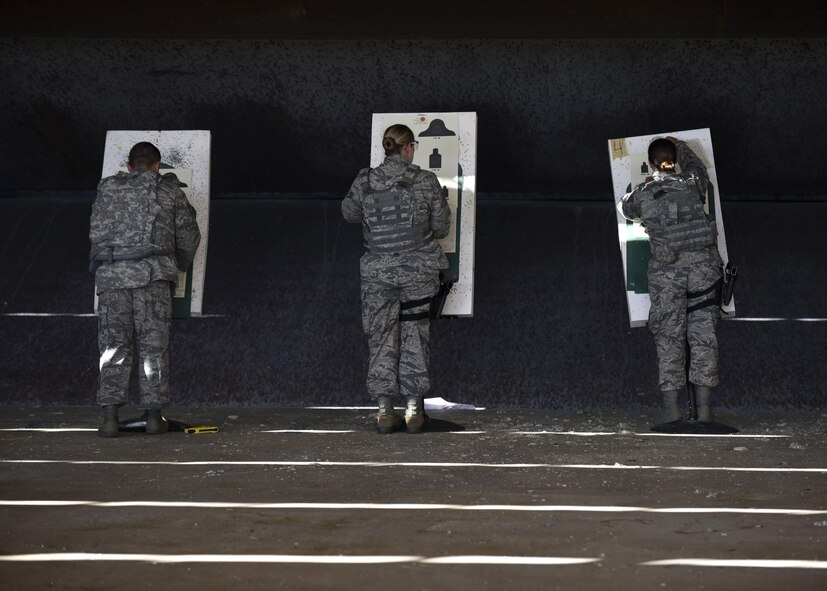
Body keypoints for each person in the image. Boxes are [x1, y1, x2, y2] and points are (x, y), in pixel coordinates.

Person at [342, 124, 451, 434]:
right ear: (407, 149)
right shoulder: (426, 181)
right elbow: (442, 227)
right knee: (415, 336)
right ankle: (414, 409)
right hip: (417, 272)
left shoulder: (365, 180)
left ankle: (385, 411)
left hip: (377, 275)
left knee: (380, 337)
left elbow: (349, 213)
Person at [89, 142, 201, 437]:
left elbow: (95, 233)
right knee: (153, 348)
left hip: (112, 279)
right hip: (152, 278)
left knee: (113, 347)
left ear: (129, 166)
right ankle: (153, 418)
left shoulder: (106, 188)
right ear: (156, 166)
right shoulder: (168, 190)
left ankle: (110, 419)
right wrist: (180, 266)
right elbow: (189, 236)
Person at [620, 137, 723, 424]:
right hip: (704, 271)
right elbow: (697, 165)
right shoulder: (693, 181)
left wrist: (650, 181)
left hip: (668, 276)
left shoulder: (643, 193)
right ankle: (704, 411)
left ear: (652, 162)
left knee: (669, 336)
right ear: (675, 160)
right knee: (703, 336)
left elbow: (625, 208)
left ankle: (672, 410)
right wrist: (680, 145)